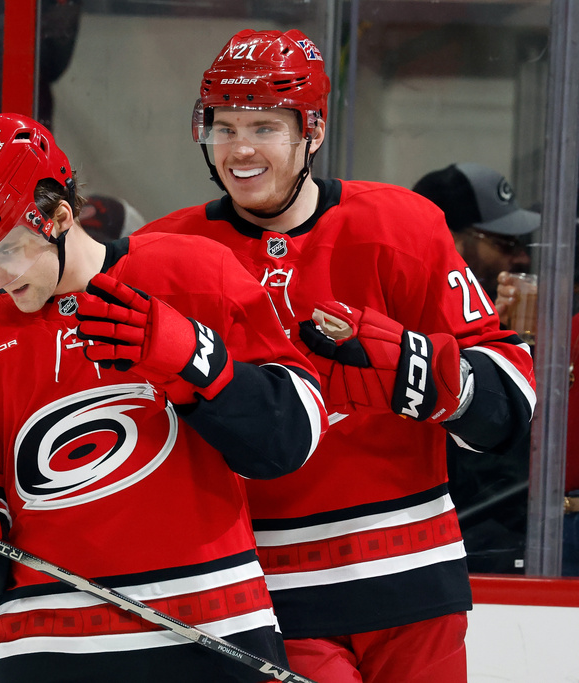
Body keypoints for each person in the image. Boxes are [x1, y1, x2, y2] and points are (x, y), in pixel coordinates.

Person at [138, 29, 536, 683]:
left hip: (417, 590)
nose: (240, 148)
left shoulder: (402, 226)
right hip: (262, 596)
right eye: (224, 126)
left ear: (313, 131)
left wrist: (433, 378)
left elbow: (513, 399)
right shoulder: (163, 254)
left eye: (264, 126)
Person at [0, 112, 329, 682]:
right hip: (46, 652)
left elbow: (295, 436)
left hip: (212, 637)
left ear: (58, 215)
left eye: (5, 250)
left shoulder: (191, 272)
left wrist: (193, 359)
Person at [412, 162, 537, 574]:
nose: (519, 257)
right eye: (503, 242)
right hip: (461, 539)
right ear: (449, 240)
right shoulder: (403, 319)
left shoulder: (500, 320)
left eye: (522, 243)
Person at [412, 162, 538, 305]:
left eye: (519, 241)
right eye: (505, 244)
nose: (523, 258)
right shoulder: (400, 316)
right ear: (449, 241)